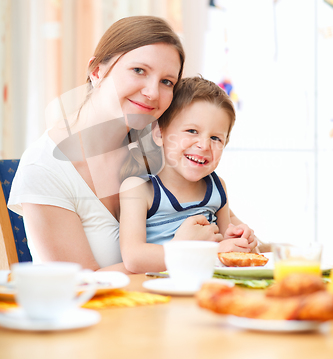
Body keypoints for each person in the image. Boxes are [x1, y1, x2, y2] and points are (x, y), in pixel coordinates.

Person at [8, 16, 235, 272]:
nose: (152, 92)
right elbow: (79, 284)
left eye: (166, 82)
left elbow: (224, 229)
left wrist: (241, 240)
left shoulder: (162, 145)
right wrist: (184, 252)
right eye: (139, 70)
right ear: (97, 71)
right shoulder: (44, 168)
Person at [119, 77, 258, 274]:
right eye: (192, 131)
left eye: (216, 138)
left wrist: (241, 241)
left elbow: (227, 244)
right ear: (159, 134)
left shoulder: (218, 187)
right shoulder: (139, 188)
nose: (204, 145)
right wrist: (212, 253)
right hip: (159, 290)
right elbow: (134, 258)